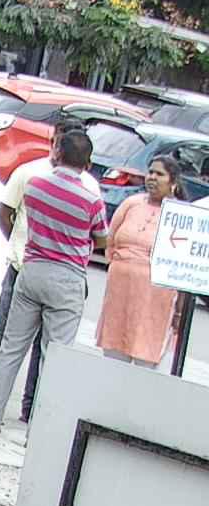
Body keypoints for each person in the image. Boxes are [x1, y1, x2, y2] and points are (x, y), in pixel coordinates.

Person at [0, 125, 111, 438]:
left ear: (57, 154)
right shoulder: (91, 199)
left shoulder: (35, 185)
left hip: (32, 268)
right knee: (55, 357)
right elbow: (102, 240)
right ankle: (39, 430)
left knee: (11, 347)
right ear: (88, 163)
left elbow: (13, 216)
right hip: (68, 277)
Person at [0, 149, 55, 423]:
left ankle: (30, 410)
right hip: (20, 266)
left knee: (44, 345)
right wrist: (17, 245)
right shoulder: (30, 173)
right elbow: (4, 212)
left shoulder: (85, 184)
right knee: (4, 335)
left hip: (52, 273)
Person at [97, 154, 182, 366]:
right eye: (150, 172)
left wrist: (179, 309)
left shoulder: (179, 214)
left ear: (173, 182)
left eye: (159, 174)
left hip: (154, 296)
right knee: (113, 355)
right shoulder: (131, 203)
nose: (152, 177)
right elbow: (110, 241)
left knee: (145, 351)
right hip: (120, 289)